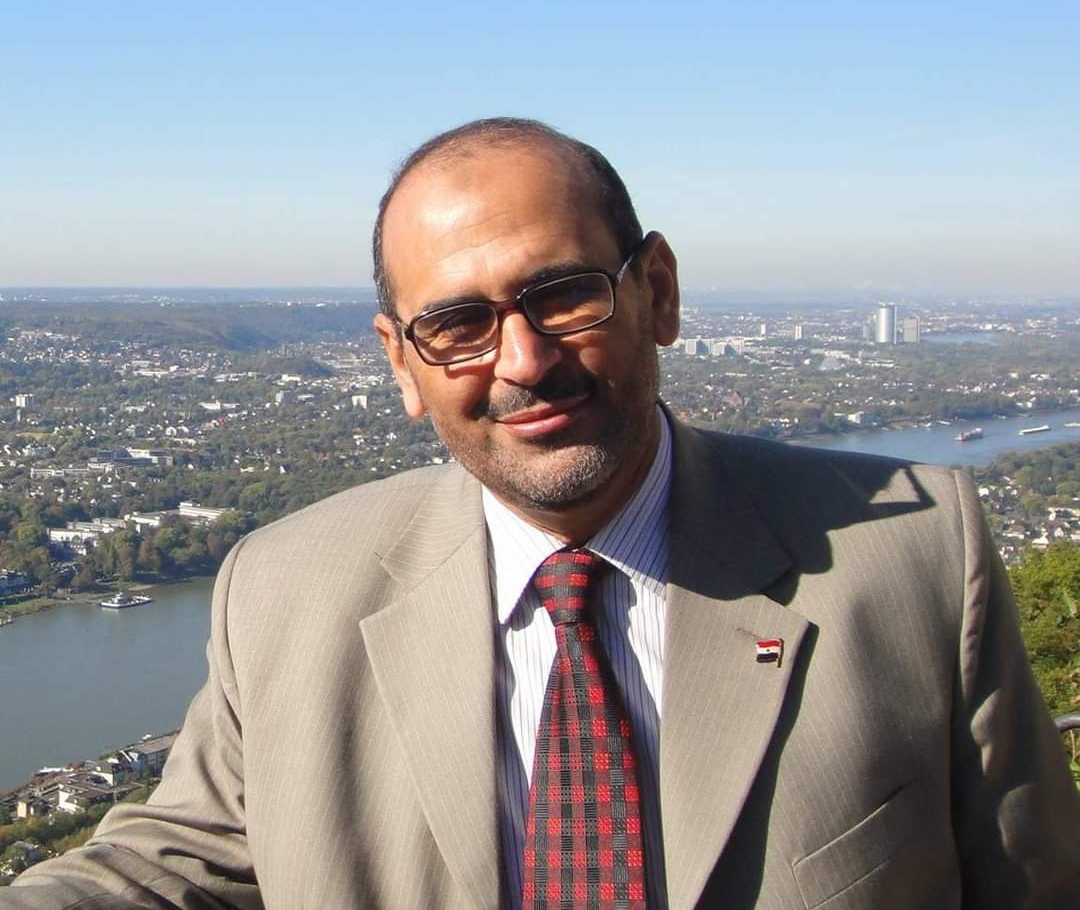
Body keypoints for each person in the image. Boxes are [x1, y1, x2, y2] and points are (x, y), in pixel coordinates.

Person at [7, 117, 1080, 909]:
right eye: (457, 324)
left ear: (658, 291)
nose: (521, 360)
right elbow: (180, 863)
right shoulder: (282, 591)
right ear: (402, 365)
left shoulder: (916, 561)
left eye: (563, 293)